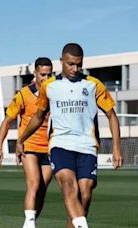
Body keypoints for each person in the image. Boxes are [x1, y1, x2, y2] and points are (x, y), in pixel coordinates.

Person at [16, 43, 123, 228]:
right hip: (60, 144)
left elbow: (112, 116)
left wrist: (116, 148)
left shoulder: (92, 84)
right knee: (67, 185)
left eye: (78, 64)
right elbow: (38, 116)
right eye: (70, 64)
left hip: (87, 146)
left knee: (85, 193)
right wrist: (21, 139)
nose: (75, 69)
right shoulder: (49, 86)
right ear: (61, 62)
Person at [0, 57, 53, 228]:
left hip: (50, 147)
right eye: (42, 74)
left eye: (49, 74)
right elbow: (7, 121)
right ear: (35, 73)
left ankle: (30, 221)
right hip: (29, 146)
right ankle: (29, 224)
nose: (46, 78)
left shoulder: (55, 93)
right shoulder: (23, 95)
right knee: (34, 183)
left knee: (42, 189)